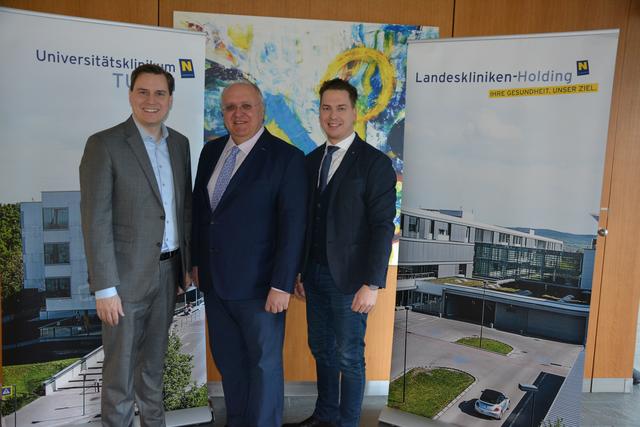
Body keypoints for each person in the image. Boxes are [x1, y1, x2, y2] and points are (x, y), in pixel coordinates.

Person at [79, 63, 192, 427]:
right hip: (123, 283)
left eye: (160, 93)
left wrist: (186, 267)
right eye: (142, 91)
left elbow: (182, 209)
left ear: (170, 100)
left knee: (153, 370)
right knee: (120, 376)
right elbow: (95, 220)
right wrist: (105, 288)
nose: (151, 100)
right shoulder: (104, 144)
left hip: (168, 275)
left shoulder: (180, 144)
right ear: (130, 94)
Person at [191, 80, 307, 427]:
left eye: (246, 106)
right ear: (222, 113)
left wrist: (282, 285)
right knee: (230, 362)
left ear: (261, 111)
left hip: (261, 288)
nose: (238, 114)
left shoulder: (287, 158)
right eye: (230, 107)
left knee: (263, 365)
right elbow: (201, 214)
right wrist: (197, 262)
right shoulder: (210, 152)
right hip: (215, 282)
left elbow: (293, 227)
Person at [287, 78, 396, 427]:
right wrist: (300, 271)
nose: (332, 116)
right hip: (314, 275)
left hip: (351, 280)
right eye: (326, 108)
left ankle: (347, 422)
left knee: (350, 356)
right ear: (319, 112)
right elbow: (306, 221)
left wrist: (372, 283)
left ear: (355, 112)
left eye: (340, 108)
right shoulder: (311, 160)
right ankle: (325, 415)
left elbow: (383, 226)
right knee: (321, 348)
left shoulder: (375, 163)